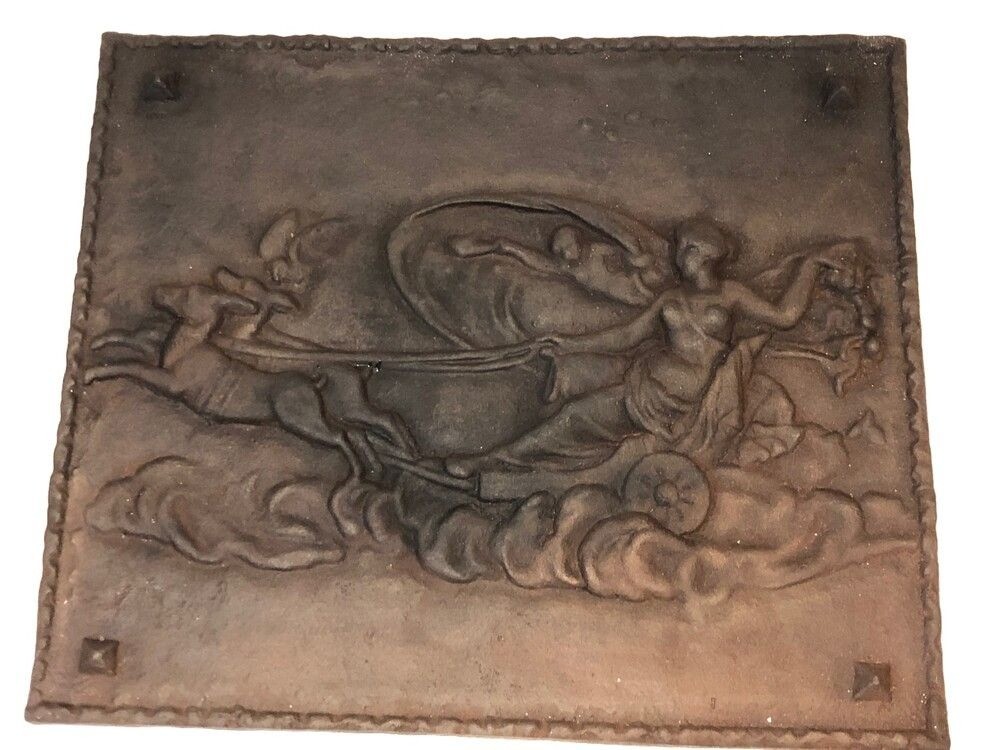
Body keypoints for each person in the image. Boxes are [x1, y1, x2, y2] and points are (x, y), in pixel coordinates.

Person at [445, 219, 856, 477]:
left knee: (576, 418)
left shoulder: (731, 294)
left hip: (678, 400)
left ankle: (491, 461)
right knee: (576, 404)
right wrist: (570, 344)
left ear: (705, 254)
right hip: (647, 380)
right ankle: (496, 458)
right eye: (680, 250)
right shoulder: (670, 298)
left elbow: (785, 315)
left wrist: (810, 266)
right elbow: (626, 336)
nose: (679, 258)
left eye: (686, 250)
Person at [449, 224, 665, 306]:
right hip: (629, 296)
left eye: (566, 247)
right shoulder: (567, 268)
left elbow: (632, 258)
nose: (565, 254)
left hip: (636, 290)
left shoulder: (599, 251)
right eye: (559, 252)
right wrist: (501, 245)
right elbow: (535, 260)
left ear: (580, 242)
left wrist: (633, 263)